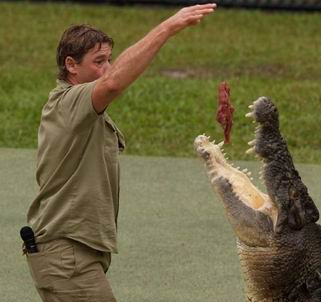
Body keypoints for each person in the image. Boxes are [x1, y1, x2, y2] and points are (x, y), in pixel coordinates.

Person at [23, 3, 216, 302]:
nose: (107, 69)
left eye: (109, 59)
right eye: (99, 61)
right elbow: (113, 84)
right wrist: (168, 27)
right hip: (66, 256)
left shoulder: (85, 111)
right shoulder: (69, 102)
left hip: (74, 254)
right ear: (71, 65)